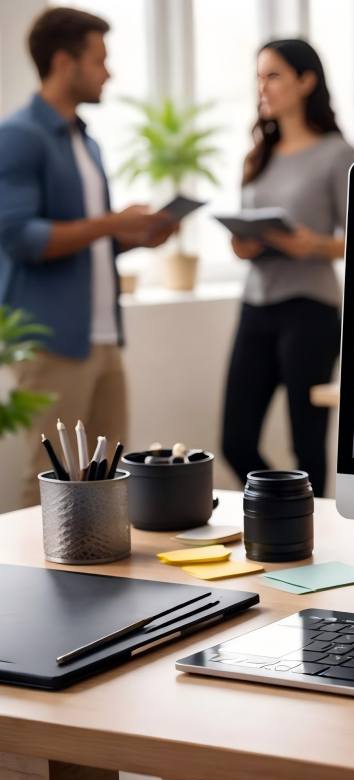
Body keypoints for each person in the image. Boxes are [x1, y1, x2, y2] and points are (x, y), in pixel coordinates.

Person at [0, 7, 175, 506]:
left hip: (103, 337)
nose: (108, 73)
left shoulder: (87, 141)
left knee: (109, 483)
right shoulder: (19, 136)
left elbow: (87, 238)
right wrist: (112, 222)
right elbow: (19, 236)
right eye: (99, 60)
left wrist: (135, 237)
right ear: (64, 61)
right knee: (50, 483)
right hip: (51, 340)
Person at [221, 39, 354, 497]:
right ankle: (284, 507)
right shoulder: (259, 154)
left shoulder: (336, 154)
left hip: (310, 310)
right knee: (235, 442)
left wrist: (314, 245)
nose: (263, 87)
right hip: (255, 305)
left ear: (306, 81)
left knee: (308, 447)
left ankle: (309, 528)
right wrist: (242, 244)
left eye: (274, 75)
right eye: (259, 77)